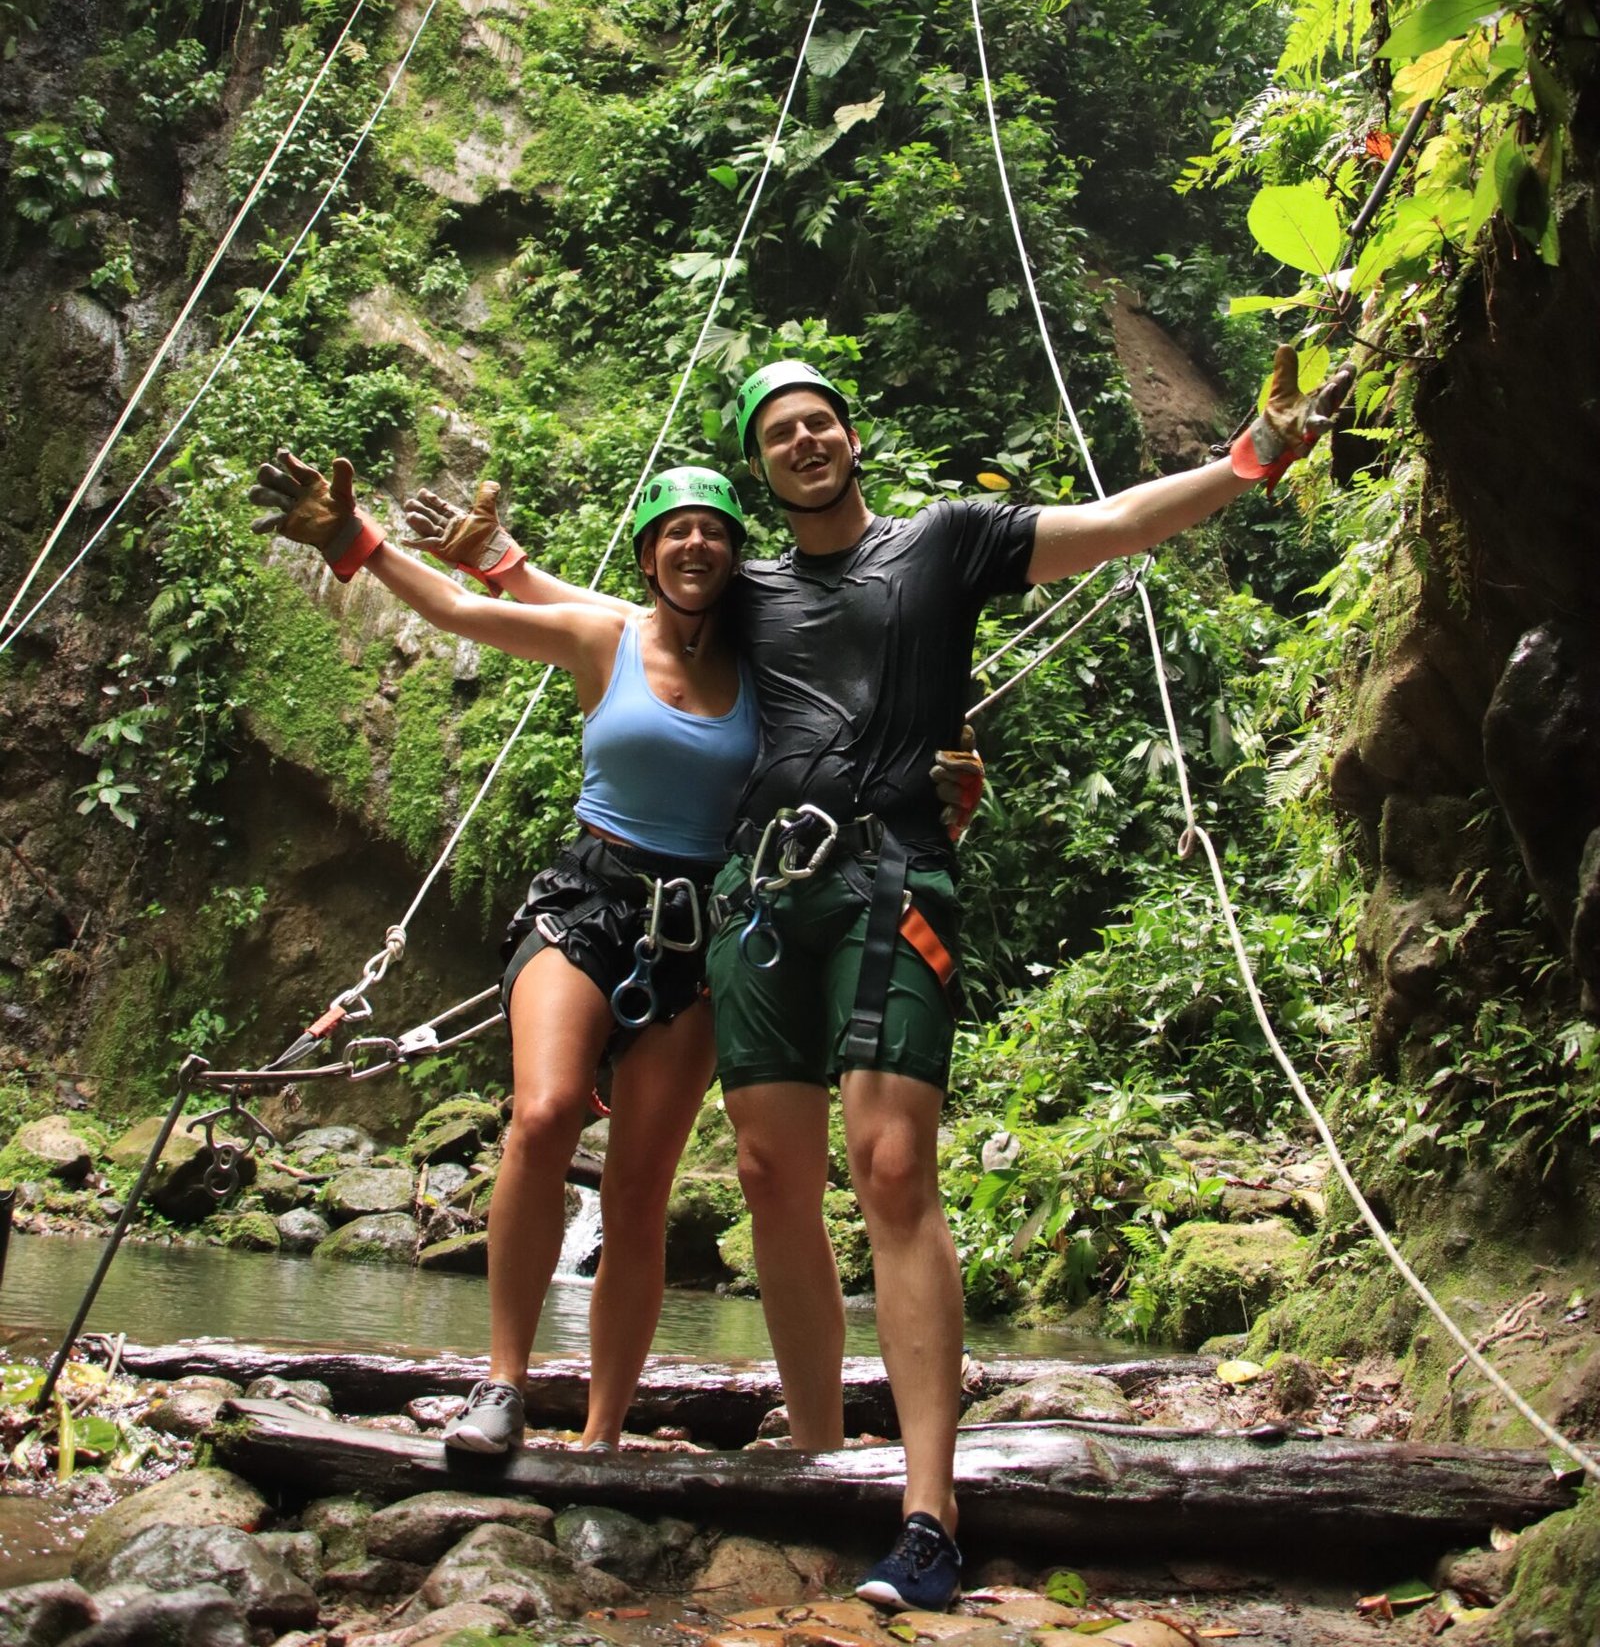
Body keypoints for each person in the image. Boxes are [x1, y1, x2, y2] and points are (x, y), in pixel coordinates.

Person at [442, 344, 1345, 1606]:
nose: (803, 443)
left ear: (851, 436)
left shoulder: (948, 543)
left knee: (891, 1166)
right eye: (779, 435)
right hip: (760, 899)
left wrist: (1250, 456)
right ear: (763, 467)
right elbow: (626, 622)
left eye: (819, 423)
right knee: (763, 1173)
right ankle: (817, 1457)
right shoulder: (745, 590)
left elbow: (1118, 524)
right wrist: (488, 560)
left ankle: (928, 1514)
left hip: (890, 881)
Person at [247, 450, 757, 1456]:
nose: (696, 543)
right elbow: (460, 613)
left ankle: (605, 1430)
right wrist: (357, 543)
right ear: (649, 556)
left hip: (696, 934)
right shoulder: (600, 634)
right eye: (675, 531)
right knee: (544, 1113)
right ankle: (504, 1383)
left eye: (715, 531)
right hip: (585, 902)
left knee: (641, 1187)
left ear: (736, 557)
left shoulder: (765, 668)